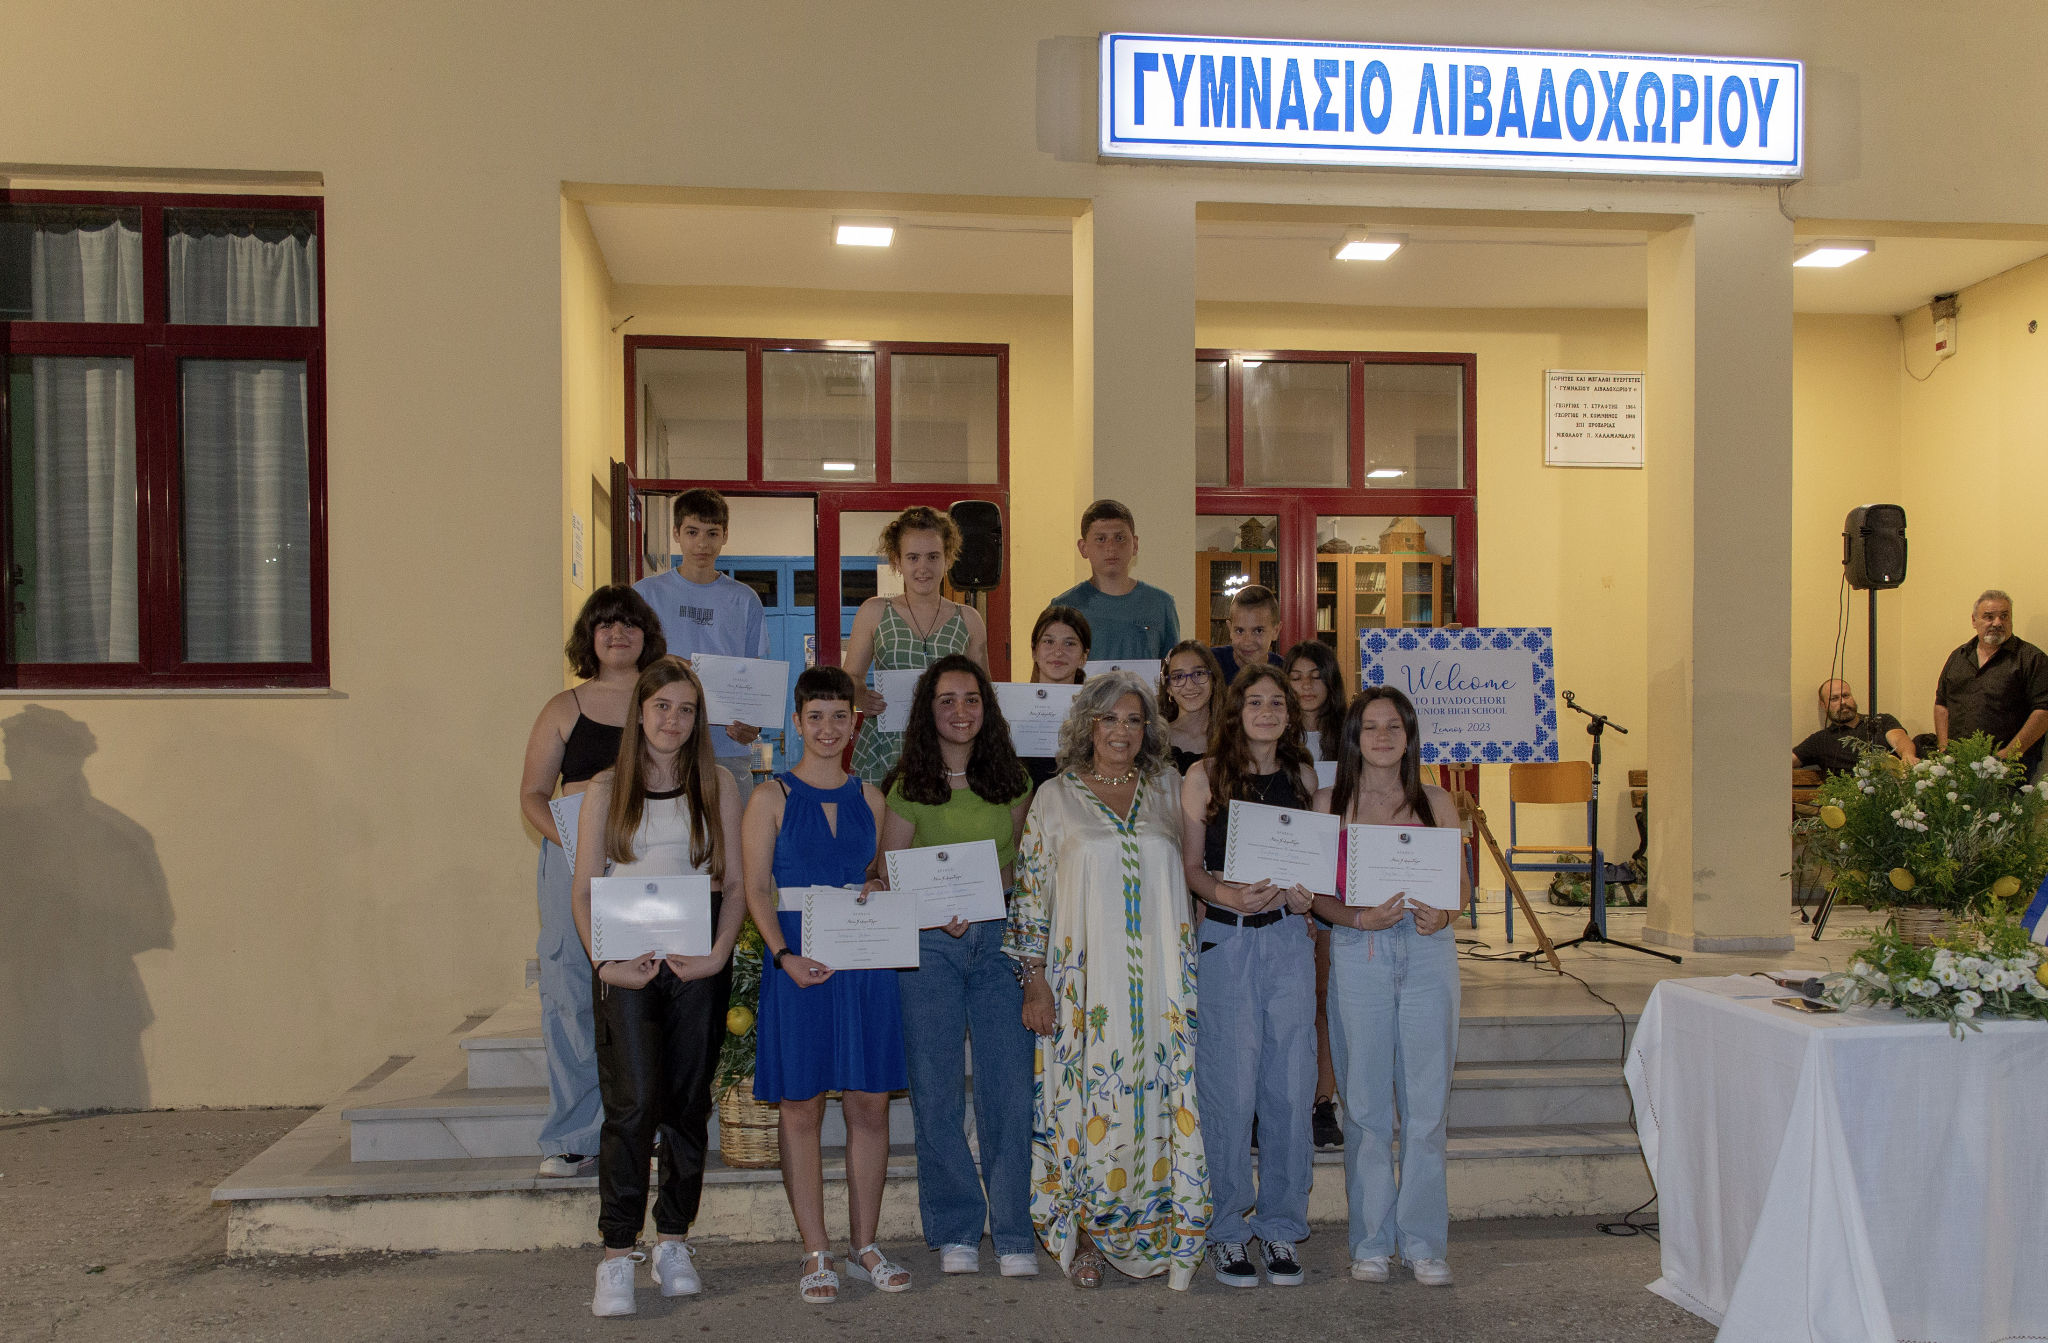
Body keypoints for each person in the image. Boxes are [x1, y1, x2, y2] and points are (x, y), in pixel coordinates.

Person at [1006, 670, 1208, 1291]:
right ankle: (1090, 1237)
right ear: (1087, 726)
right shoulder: (1055, 797)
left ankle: (1167, 1231)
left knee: (1161, 1102)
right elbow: (1031, 894)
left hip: (1162, 989)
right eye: (1109, 718)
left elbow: (1195, 871)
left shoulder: (1168, 789)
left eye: (1134, 719)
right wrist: (1034, 980)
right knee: (1090, 1104)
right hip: (1085, 991)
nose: (1122, 730)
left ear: (1148, 729)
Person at [570, 657, 747, 1317]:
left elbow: (734, 885)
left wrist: (718, 955)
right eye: (662, 706)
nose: (673, 720)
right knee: (633, 1103)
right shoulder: (606, 788)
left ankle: (673, 1240)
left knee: (686, 1104)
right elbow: (584, 890)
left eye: (686, 709)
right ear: (640, 712)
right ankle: (617, 1252)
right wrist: (604, 965)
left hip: (695, 962)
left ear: (698, 718)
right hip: (626, 963)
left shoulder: (718, 784)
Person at [743, 666, 912, 1303]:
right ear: (797, 722)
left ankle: (864, 1244)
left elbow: (880, 874)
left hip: (863, 960)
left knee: (870, 1104)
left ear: (853, 723)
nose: (827, 728)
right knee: (802, 1106)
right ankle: (815, 1250)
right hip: (798, 962)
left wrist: (879, 885)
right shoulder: (771, 798)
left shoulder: (872, 797)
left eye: (840, 716)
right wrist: (783, 955)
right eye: (815, 716)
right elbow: (755, 889)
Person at [877, 655, 1039, 1279]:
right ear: (928, 711)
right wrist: (936, 906)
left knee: (1008, 1090)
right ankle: (955, 1227)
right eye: (946, 700)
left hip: (1000, 940)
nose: (960, 711)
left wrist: (979, 891)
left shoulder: (1014, 780)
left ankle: (1015, 1232)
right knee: (936, 1089)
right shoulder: (907, 785)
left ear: (986, 708)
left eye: (971, 699)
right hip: (929, 945)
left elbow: (1024, 862)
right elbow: (890, 868)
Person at [1311, 687, 1466, 1289]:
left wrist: (1444, 914)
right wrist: (1356, 918)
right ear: (1354, 737)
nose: (1382, 737)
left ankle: (1424, 1243)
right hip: (1360, 952)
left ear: (1409, 737)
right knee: (1366, 1107)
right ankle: (1372, 1241)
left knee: (1426, 1107)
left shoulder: (1436, 800)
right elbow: (1317, 895)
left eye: (1393, 726)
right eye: (1370, 726)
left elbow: (1461, 889)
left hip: (1428, 953)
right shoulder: (1330, 802)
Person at [518, 585, 668, 1179]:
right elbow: (533, 794)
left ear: (646, 635)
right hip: (570, 856)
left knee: (648, 990)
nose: (617, 633)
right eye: (605, 624)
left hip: (648, 858)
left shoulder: (665, 700)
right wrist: (577, 846)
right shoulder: (563, 707)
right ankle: (575, 1134)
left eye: (629, 623)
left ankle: (645, 1127)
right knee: (570, 993)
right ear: (590, 637)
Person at [1179, 664, 1321, 1289]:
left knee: (1289, 1088)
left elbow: (1313, 865)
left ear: (1291, 713)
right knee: (1229, 1092)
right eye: (1254, 701)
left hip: (1287, 940)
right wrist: (1226, 894)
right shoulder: (1203, 775)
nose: (1266, 712)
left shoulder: (1304, 775)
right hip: (1227, 940)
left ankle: (1282, 1225)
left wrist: (1306, 896)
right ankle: (1227, 1229)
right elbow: (1190, 867)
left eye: (1278, 702)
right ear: (1235, 710)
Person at [633, 488, 770, 812]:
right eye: (692, 532)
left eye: (712, 533)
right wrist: (662, 662)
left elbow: (755, 676)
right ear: (676, 533)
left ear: (725, 536)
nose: (702, 544)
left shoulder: (745, 599)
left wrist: (754, 725)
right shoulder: (645, 594)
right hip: (658, 745)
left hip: (725, 749)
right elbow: (625, 668)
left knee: (729, 839)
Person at [846, 506, 991, 785]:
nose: (923, 567)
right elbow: (850, 677)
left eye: (933, 556)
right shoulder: (874, 612)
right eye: (913, 557)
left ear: (948, 559)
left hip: (950, 747)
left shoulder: (969, 619)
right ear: (897, 561)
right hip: (887, 747)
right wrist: (861, 696)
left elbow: (984, 692)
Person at [1283, 639, 1348, 1153]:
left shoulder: (1351, 736)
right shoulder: (1272, 733)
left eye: (1316, 675)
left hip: (1336, 883)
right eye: (1296, 676)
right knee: (1289, 1004)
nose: (1306, 686)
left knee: (1323, 1000)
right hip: (1285, 884)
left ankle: (1322, 1102)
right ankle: (1280, 1102)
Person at [1934, 589, 2048, 782]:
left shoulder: (2031, 659)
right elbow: (1941, 704)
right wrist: (1944, 749)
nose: (1997, 623)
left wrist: (2008, 754)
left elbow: (2043, 712)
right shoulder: (1958, 656)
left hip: (2007, 767)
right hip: (1957, 764)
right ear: (1974, 621)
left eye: (2004, 616)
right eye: (1989, 617)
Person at [1051, 499, 1181, 661]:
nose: (1111, 547)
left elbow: (1174, 669)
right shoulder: (1063, 608)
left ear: (1135, 545)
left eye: (1119, 538)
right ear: (1083, 548)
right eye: (1101, 539)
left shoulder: (1161, 604)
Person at [1021, 605, 1091, 789]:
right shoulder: (1012, 707)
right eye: (1049, 641)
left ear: (1084, 656)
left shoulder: (1095, 712)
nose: (1058, 652)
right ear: (1034, 651)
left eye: (1069, 643)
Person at [1791, 678, 1914, 773]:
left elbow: (1899, 739)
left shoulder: (1881, 720)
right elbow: (1789, 761)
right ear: (1823, 705)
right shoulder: (1820, 740)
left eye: (1846, 696)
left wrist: (1908, 756)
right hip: (1853, 795)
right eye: (1834, 699)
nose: (1843, 702)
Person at [1160, 640, 1224, 777]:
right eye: (1178, 676)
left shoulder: (1234, 736)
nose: (1189, 685)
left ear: (1213, 680)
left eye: (1198, 674)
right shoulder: (1155, 739)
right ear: (1169, 688)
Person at [1211, 585, 1282, 685]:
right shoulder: (1209, 664)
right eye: (1240, 631)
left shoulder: (1286, 673)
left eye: (1258, 631)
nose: (1247, 642)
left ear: (1276, 631)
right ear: (1230, 630)